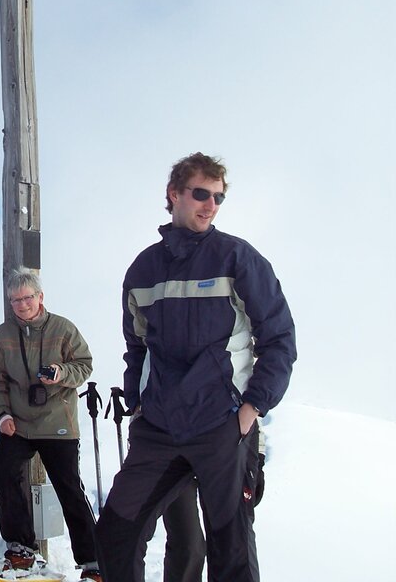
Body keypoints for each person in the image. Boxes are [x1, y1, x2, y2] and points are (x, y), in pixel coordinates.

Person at [95, 152, 296, 582]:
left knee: (231, 550)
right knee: (116, 532)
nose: (211, 205)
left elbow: (279, 339)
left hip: (221, 424)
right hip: (161, 427)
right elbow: (137, 346)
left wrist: (251, 408)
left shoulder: (237, 259)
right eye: (201, 193)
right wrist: (138, 404)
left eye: (219, 197)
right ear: (174, 195)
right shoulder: (143, 269)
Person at [0, 267, 102, 582]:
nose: (21, 305)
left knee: (68, 487)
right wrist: (3, 415)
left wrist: (62, 373)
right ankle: (21, 548)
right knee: (5, 476)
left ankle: (94, 562)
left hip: (56, 421)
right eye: (15, 300)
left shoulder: (63, 329)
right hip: (18, 423)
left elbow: (85, 364)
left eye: (27, 298)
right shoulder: (3, 334)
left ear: (40, 297)